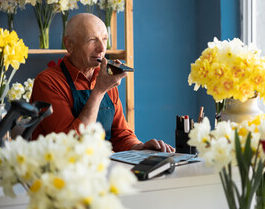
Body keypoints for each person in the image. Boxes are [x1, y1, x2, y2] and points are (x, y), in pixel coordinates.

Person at [30, 13, 175, 152]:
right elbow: (68, 146)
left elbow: (121, 135)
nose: (102, 48)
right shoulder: (48, 82)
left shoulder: (104, 77)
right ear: (69, 45)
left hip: (101, 167)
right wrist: (99, 91)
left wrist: (140, 148)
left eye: (104, 39)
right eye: (92, 39)